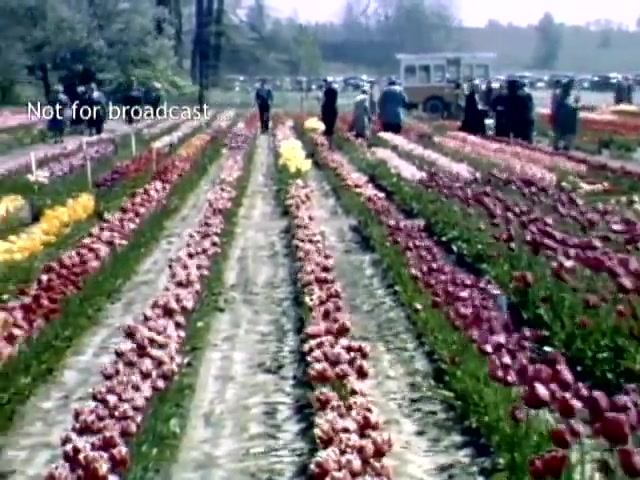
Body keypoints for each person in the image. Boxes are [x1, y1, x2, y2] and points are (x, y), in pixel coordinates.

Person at [552, 79, 578, 151]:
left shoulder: (560, 95)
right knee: (564, 135)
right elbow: (574, 107)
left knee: (561, 135)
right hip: (566, 119)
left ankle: (560, 147)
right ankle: (562, 147)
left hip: (563, 119)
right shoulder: (564, 96)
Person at [321, 78, 339, 147]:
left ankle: (326, 144)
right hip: (333, 110)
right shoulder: (335, 91)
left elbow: (323, 100)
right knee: (331, 128)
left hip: (326, 110)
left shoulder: (325, 91)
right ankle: (330, 144)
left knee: (325, 127)